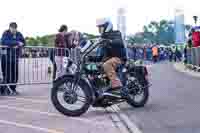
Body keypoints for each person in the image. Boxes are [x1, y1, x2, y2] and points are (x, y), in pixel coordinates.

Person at [90, 18, 127, 95]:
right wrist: (90, 58)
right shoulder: (103, 38)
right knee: (92, 68)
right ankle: (99, 90)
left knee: (107, 65)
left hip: (119, 58)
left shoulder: (116, 33)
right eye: (99, 28)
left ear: (107, 26)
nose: (100, 29)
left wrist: (110, 41)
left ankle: (116, 86)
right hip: (109, 59)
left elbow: (119, 42)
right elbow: (100, 56)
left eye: (101, 27)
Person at [1, 22, 25, 95]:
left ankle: (13, 89)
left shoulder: (19, 33)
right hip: (6, 58)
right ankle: (6, 89)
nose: (14, 30)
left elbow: (24, 42)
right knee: (7, 74)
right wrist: (17, 43)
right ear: (9, 28)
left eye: (15, 28)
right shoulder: (6, 33)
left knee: (15, 74)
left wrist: (20, 44)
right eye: (12, 28)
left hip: (15, 57)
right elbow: (4, 41)